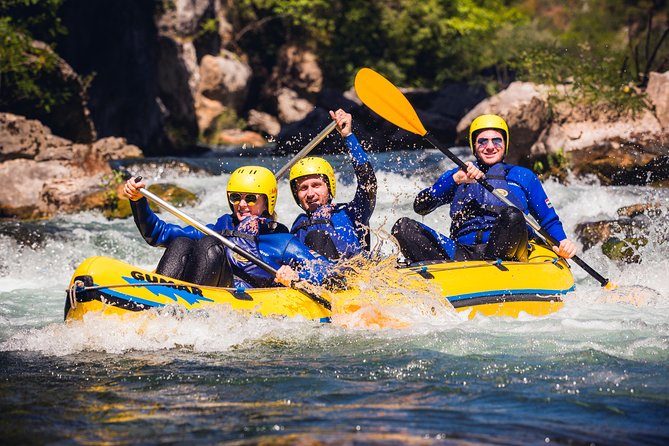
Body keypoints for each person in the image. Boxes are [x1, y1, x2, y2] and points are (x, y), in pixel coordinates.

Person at [391, 114, 577, 264]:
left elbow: (548, 220)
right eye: (482, 141)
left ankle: (491, 268)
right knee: (403, 227)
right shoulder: (458, 175)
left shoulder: (522, 176)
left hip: (505, 251)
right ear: (474, 146)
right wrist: (456, 180)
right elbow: (421, 205)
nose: (489, 146)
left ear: (505, 144)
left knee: (512, 215)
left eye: (496, 140)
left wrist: (562, 242)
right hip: (460, 253)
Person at [122, 166, 335, 289]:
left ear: (267, 202)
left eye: (251, 198)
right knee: (181, 242)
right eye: (236, 197)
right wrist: (138, 200)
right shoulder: (219, 227)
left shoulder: (281, 240)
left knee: (209, 245)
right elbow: (157, 233)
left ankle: (187, 309)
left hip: (242, 301)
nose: (242, 204)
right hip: (201, 291)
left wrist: (297, 276)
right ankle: (156, 297)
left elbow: (326, 270)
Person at [288, 108, 377, 260]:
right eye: (303, 188)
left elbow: (368, 182)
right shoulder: (296, 227)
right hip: (313, 279)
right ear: (296, 194)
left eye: (316, 185)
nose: (310, 194)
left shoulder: (352, 213)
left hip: (353, 278)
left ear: (329, 188)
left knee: (317, 237)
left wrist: (348, 136)